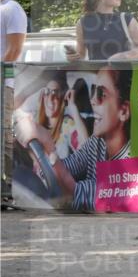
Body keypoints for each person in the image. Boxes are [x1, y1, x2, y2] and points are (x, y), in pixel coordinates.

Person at [16, 66, 130, 211]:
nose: (93, 100)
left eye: (101, 93)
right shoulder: (97, 142)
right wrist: (42, 153)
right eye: (93, 90)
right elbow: (68, 168)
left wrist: (48, 145)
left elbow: (74, 194)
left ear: (124, 111)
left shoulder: (132, 157)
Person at [71, 0, 138, 61]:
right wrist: (73, 56)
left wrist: (126, 55)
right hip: (96, 73)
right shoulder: (83, 22)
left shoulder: (126, 19)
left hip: (123, 73)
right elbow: (81, 55)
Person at [2, 0, 28, 198]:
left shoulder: (11, 9)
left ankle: (9, 187)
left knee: (5, 135)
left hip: (5, 84)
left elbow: (15, 50)